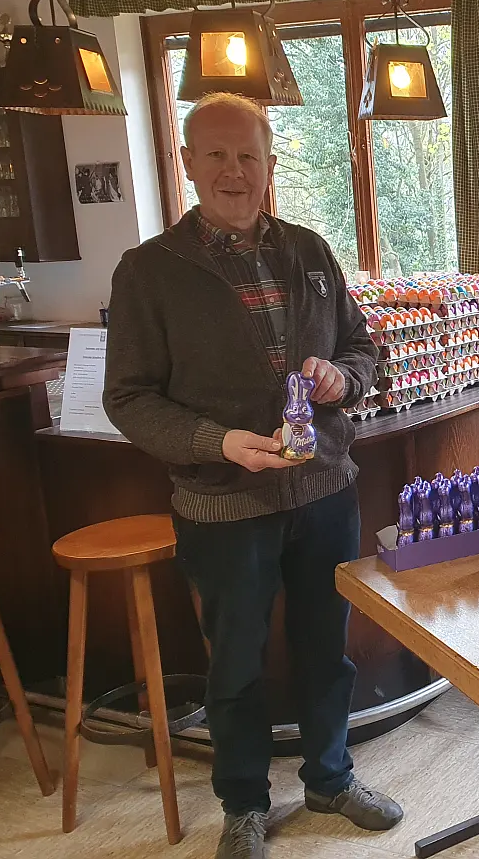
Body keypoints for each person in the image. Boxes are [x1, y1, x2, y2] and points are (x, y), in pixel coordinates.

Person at [103, 92, 402, 859]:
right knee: (234, 664)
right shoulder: (148, 271)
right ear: (187, 162)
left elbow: (365, 348)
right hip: (222, 504)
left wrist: (342, 377)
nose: (235, 172)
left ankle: (331, 777)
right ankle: (243, 804)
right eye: (217, 155)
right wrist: (219, 439)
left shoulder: (308, 249)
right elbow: (129, 399)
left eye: (250, 156)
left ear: (271, 164)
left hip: (324, 491)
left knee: (324, 648)